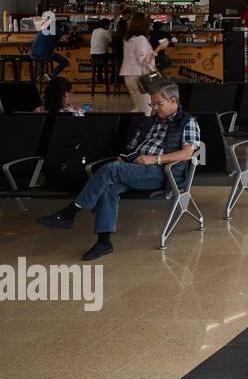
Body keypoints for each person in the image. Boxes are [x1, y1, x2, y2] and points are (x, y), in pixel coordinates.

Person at [36, 83, 200, 260]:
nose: (154, 108)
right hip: (136, 167)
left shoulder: (187, 122)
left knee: (111, 170)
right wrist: (126, 156)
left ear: (173, 100)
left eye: (158, 104)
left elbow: (187, 153)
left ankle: (70, 212)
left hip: (161, 172)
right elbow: (131, 145)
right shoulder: (150, 121)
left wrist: (155, 159)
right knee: (109, 187)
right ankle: (104, 242)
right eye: (152, 104)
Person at [119, 14, 157, 114]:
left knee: (137, 108)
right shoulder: (141, 39)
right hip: (139, 76)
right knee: (146, 109)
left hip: (128, 75)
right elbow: (143, 60)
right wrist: (159, 48)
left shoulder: (127, 39)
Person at [29, 8, 70, 78]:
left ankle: (40, 77)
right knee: (65, 62)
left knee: (43, 58)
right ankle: (51, 75)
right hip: (45, 55)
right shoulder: (55, 28)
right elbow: (66, 40)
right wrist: (69, 35)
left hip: (33, 54)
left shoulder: (43, 28)